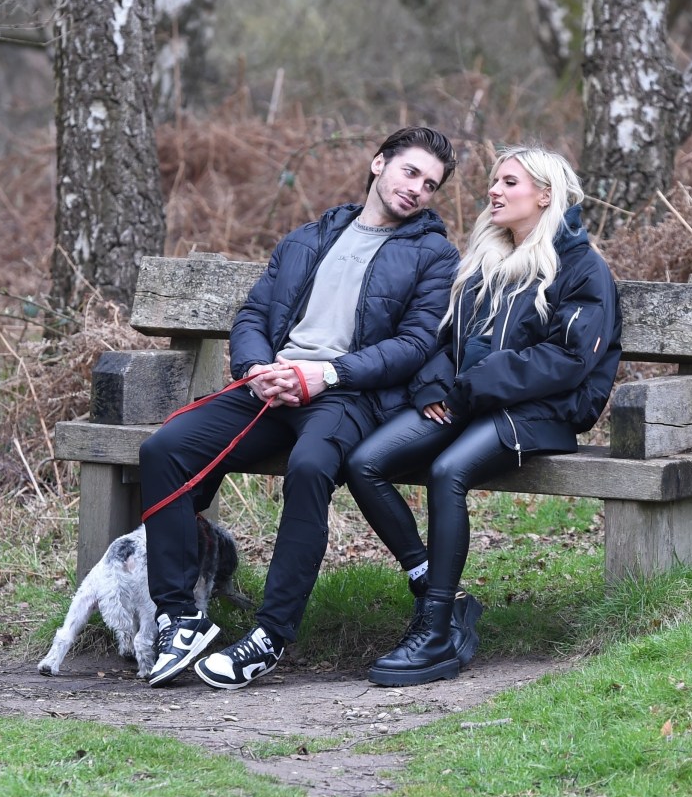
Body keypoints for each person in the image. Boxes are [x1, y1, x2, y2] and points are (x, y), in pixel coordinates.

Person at [139, 126, 475, 691]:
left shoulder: (435, 255)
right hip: (269, 389)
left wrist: (326, 373)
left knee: (311, 466)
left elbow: (416, 345)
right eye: (409, 172)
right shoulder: (307, 237)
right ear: (378, 165)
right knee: (165, 448)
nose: (417, 189)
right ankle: (181, 617)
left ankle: (270, 635)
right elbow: (252, 315)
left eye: (430, 184)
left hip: (346, 396)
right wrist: (255, 370)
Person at [344, 144, 622, 687]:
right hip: (470, 402)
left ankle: (435, 628)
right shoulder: (485, 261)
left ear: (546, 195)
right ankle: (437, 592)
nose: (494, 191)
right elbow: (445, 341)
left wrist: (470, 389)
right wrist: (431, 385)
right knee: (365, 462)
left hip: (540, 412)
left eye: (510, 182)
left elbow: (566, 361)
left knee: (449, 473)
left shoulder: (581, 267)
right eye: (494, 181)